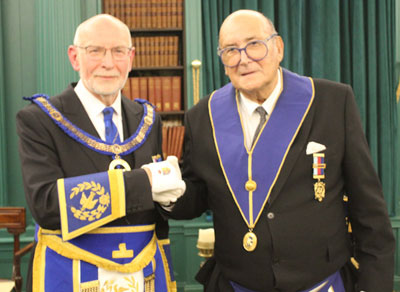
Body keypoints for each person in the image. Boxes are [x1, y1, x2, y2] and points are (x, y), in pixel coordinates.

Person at [147, 9, 396, 292]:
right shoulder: (203, 116)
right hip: (236, 283)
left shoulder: (332, 102)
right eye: (231, 50)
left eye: (254, 44)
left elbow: (369, 210)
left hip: (321, 282)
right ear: (223, 60)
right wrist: (169, 193)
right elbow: (199, 195)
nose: (243, 59)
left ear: (278, 48)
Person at [16, 14, 184, 292]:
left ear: (130, 58)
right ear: (74, 57)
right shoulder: (39, 119)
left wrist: (168, 199)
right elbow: (46, 205)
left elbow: (152, 207)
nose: (108, 63)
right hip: (69, 272)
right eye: (95, 51)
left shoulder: (147, 117)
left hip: (140, 272)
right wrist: (145, 183)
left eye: (118, 51)